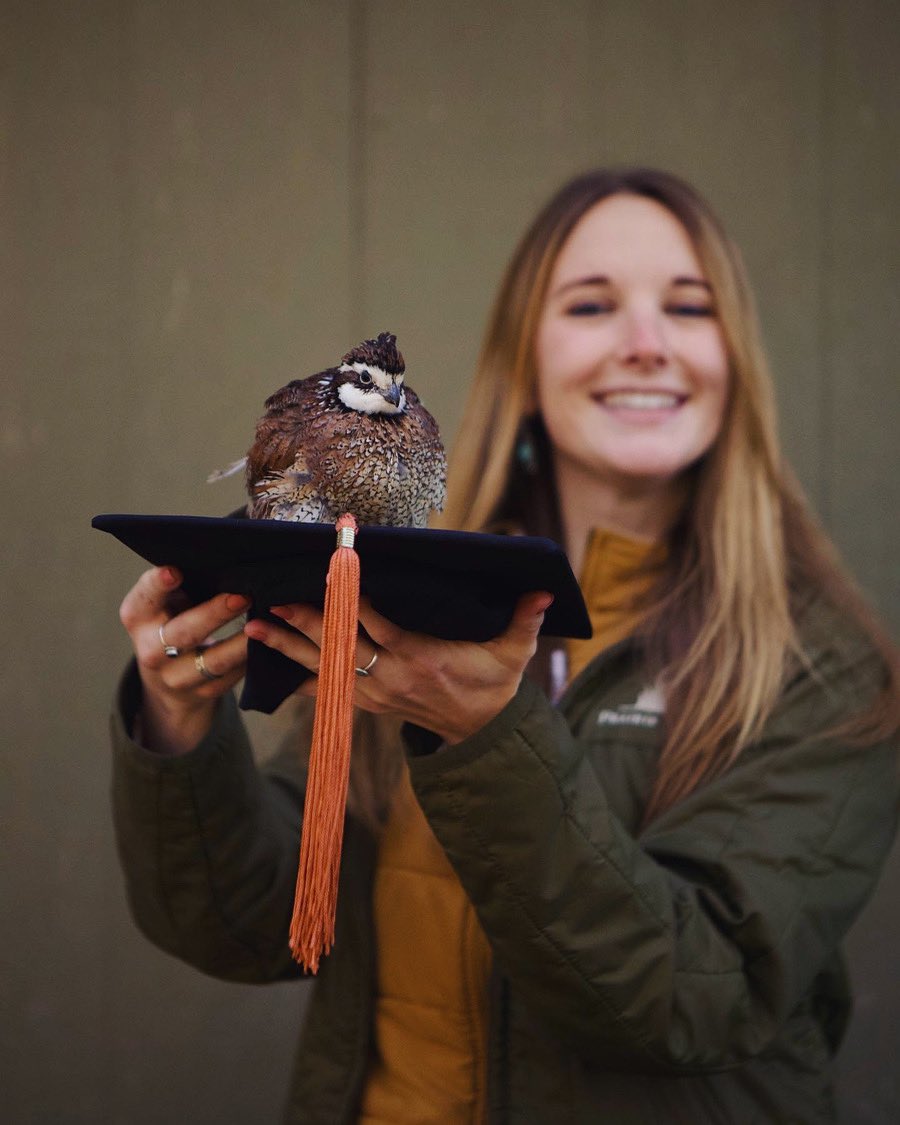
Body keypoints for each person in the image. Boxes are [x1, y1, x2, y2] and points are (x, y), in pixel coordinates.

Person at [112, 168, 900, 1124]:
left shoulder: (820, 667)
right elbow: (249, 923)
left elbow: (694, 1000)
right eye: (592, 304)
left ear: (736, 354)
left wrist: (486, 734)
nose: (645, 342)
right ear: (524, 354)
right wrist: (178, 721)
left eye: (689, 307)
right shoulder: (401, 601)